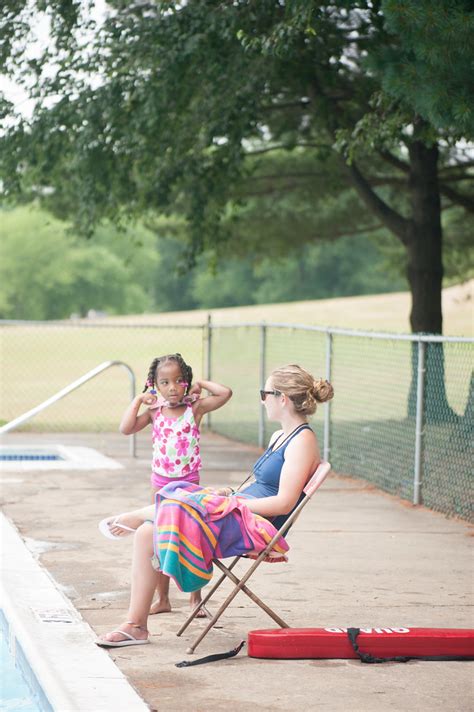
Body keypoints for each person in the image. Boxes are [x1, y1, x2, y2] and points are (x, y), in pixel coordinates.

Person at [96, 364, 334, 647]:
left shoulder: (302, 441)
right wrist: (230, 493)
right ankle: (136, 626)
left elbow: (284, 503)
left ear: (282, 398)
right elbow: (259, 487)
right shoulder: (279, 436)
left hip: (254, 525)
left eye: (265, 393)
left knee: (185, 500)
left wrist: (231, 503)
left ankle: (133, 516)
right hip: (241, 508)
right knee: (153, 527)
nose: (262, 400)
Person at [102, 352, 232, 617]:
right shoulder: (154, 412)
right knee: (161, 539)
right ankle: (163, 599)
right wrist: (139, 399)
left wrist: (201, 384)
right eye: (165, 382)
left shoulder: (194, 408)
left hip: (188, 486)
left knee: (191, 538)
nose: (172, 387)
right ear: (155, 384)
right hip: (160, 486)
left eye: (179, 380)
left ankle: (195, 600)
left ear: (186, 382)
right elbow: (125, 428)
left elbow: (225, 393)